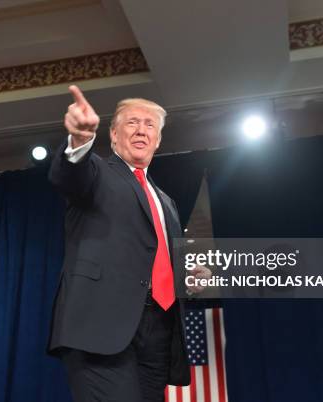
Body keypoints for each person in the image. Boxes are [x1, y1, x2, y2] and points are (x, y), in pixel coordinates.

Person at [48, 85, 211, 401]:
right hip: (100, 325)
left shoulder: (167, 203)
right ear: (112, 135)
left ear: (158, 140)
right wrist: (80, 141)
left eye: (150, 124)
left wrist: (186, 275)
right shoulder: (97, 172)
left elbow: (154, 258)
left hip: (158, 332)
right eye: (132, 122)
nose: (141, 129)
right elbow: (69, 176)